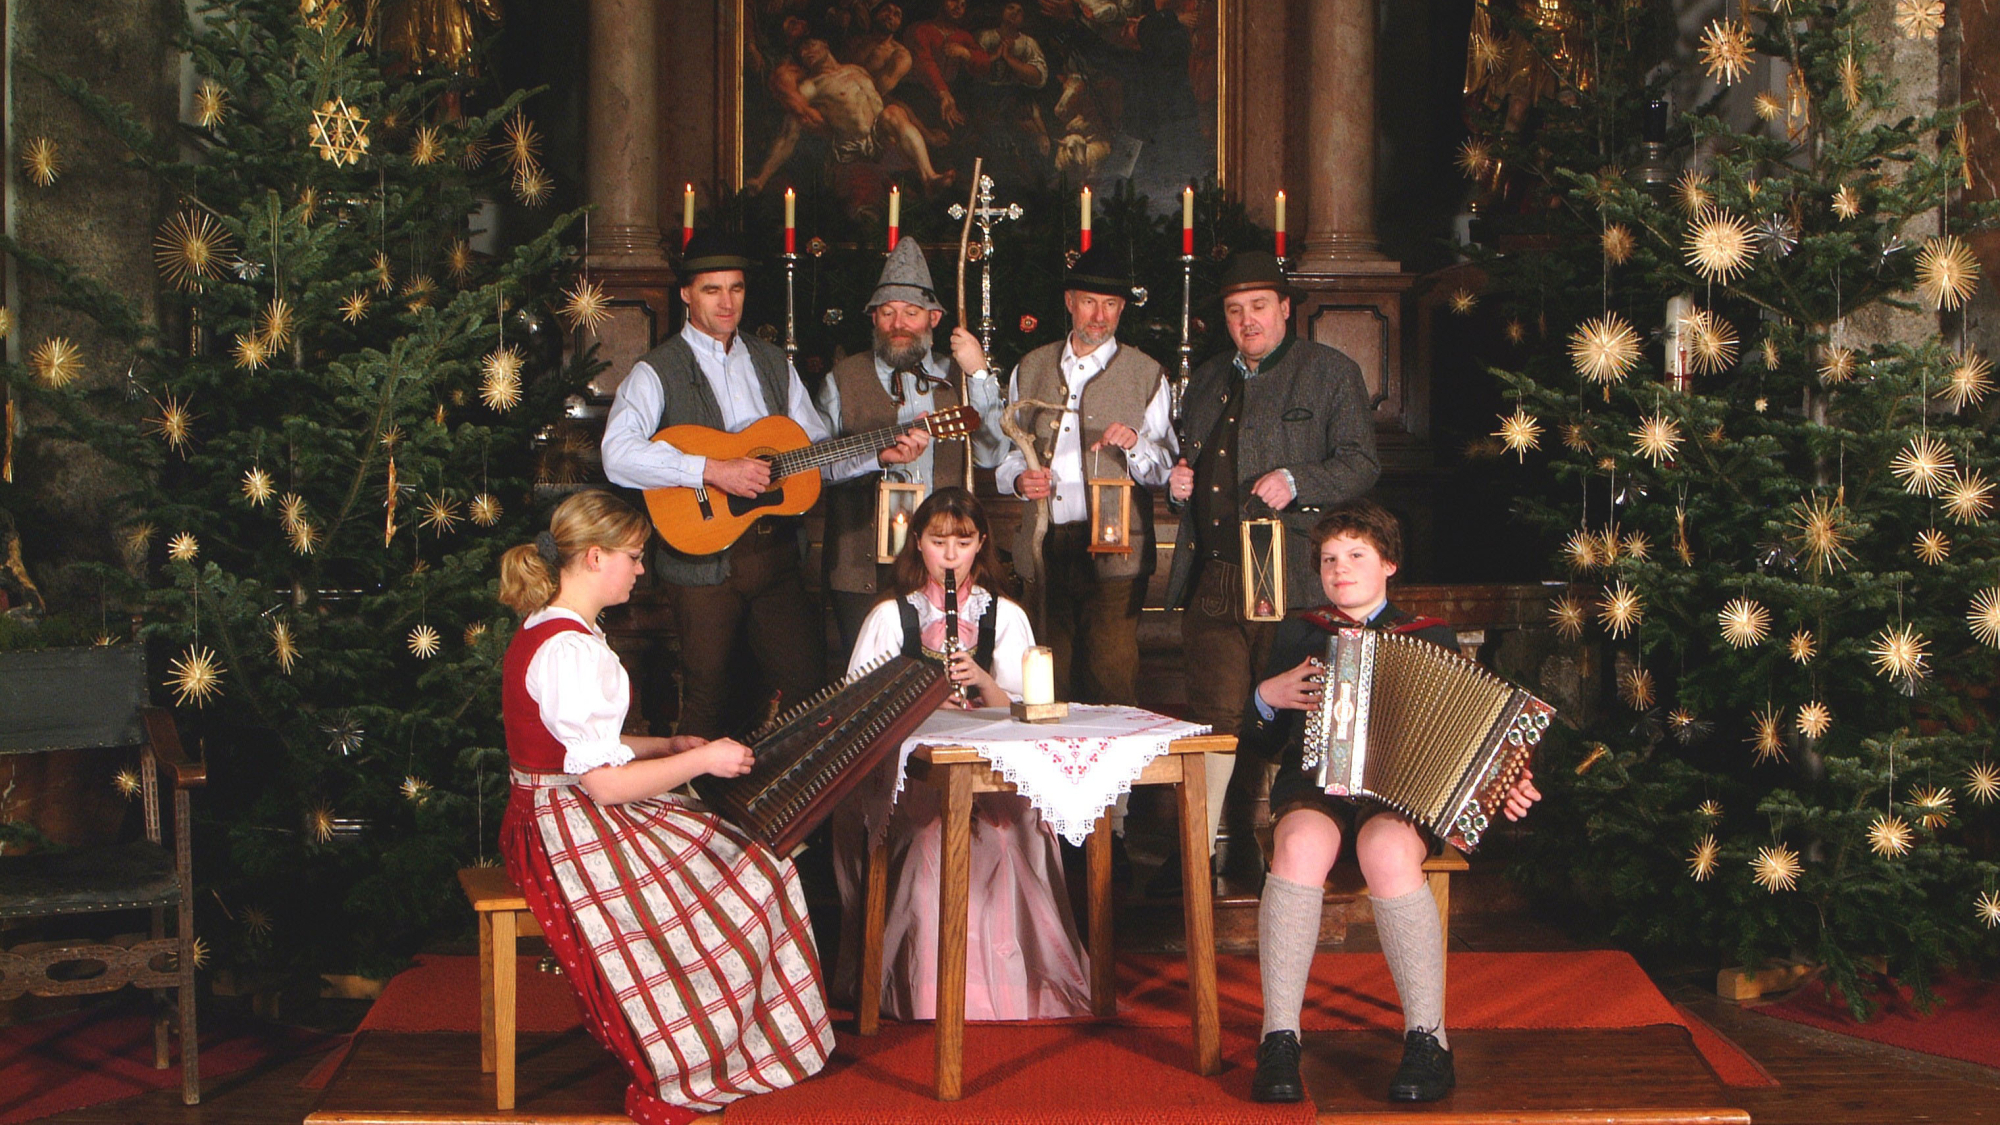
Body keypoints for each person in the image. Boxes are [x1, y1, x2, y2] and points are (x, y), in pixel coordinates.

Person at [496, 490, 834, 1124]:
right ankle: (700, 1050)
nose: (641, 569)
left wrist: (670, 744)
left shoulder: (555, 628)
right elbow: (602, 784)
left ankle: (737, 1032)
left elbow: (582, 747)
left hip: (555, 808)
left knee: (745, 852)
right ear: (594, 558)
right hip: (562, 826)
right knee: (750, 872)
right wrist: (700, 762)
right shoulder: (570, 649)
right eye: (633, 556)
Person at [1240, 500, 1540, 1105]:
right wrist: (1266, 696)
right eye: (1328, 559)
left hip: (1399, 794)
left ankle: (1429, 1039)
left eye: (1356, 556)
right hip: (1313, 786)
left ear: (1390, 565)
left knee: (1387, 853)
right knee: (1297, 846)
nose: (1340, 569)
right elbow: (1261, 741)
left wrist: (1505, 778)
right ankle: (1280, 1037)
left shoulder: (1429, 635)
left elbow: (1468, 727)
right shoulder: (1299, 632)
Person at [600, 230, 926, 739]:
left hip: (773, 558)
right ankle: (701, 815)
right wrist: (710, 470)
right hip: (700, 560)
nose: (727, 302)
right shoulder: (655, 371)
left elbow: (813, 455)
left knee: (809, 687)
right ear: (686, 294)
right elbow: (617, 455)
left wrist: (874, 455)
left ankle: (785, 814)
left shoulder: (774, 364)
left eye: (736, 289)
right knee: (710, 694)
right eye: (712, 290)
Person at [831, 488, 1092, 1021]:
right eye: (938, 541)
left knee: (1011, 832)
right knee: (931, 840)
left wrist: (983, 683)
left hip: (992, 769)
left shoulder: (1007, 616)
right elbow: (857, 709)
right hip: (913, 776)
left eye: (963, 542)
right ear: (918, 545)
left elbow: (1027, 710)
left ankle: (1010, 991)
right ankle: (927, 993)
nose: (950, 556)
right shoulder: (890, 616)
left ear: (981, 545)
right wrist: (922, 698)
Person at [1162, 249, 1380, 876]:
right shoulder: (1204, 380)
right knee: (1213, 719)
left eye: (1259, 307)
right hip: (1213, 576)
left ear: (1286, 309)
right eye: (1234, 311)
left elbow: (1363, 464)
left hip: (1292, 578)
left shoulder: (1330, 371)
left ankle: (1284, 855)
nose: (1247, 321)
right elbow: (1194, 466)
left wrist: (1297, 478)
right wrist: (1179, 484)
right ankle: (1200, 860)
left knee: (1288, 720)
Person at [967, 242, 1175, 707]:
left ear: (1122, 309)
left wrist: (1136, 445)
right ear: (1069, 303)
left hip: (1118, 553)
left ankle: (1115, 780)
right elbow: (1006, 452)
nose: (1098, 316)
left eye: (1110, 305)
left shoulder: (1147, 374)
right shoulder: (1032, 367)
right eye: (1089, 302)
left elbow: (1165, 470)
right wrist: (1020, 480)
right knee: (1046, 683)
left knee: (1111, 679)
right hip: (1045, 550)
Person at [816, 238, 1006, 656]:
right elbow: (816, 469)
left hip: (943, 566)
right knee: (869, 684)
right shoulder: (842, 380)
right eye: (887, 313)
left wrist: (978, 374)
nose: (898, 323)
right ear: (873, 318)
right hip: (860, 567)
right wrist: (873, 458)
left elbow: (992, 453)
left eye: (911, 313)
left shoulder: (957, 377)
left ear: (934, 318)